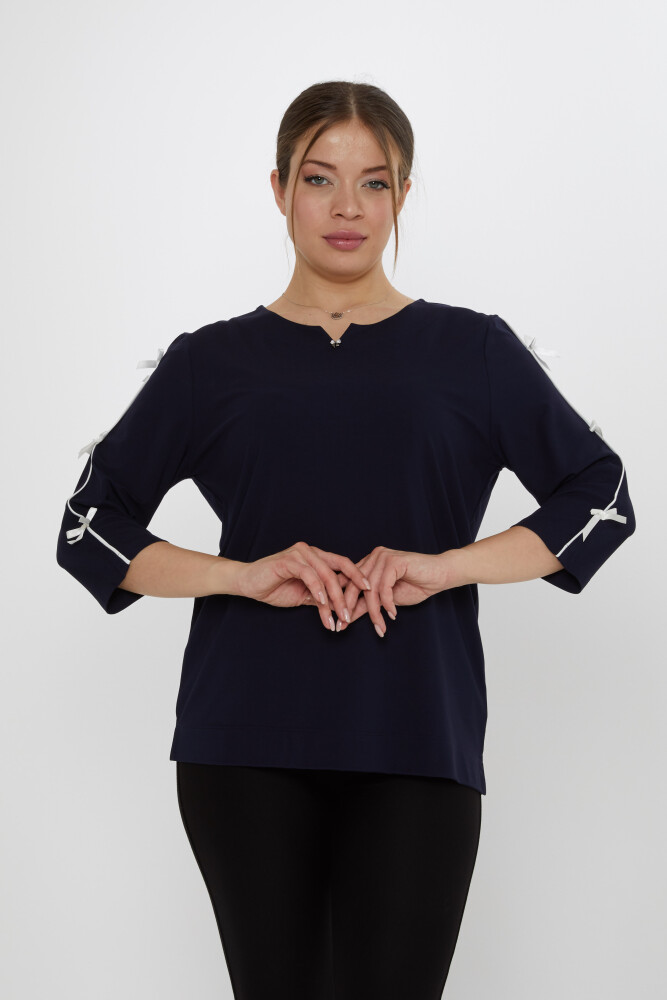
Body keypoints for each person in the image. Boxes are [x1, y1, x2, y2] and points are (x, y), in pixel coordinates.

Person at [56, 80, 636, 999]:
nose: (346, 207)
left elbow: (600, 496)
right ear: (280, 189)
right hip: (241, 741)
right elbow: (89, 525)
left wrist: (442, 567)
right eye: (320, 178)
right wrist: (242, 576)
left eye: (374, 182)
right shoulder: (209, 362)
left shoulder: (472, 351)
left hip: (416, 733)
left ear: (402, 195)